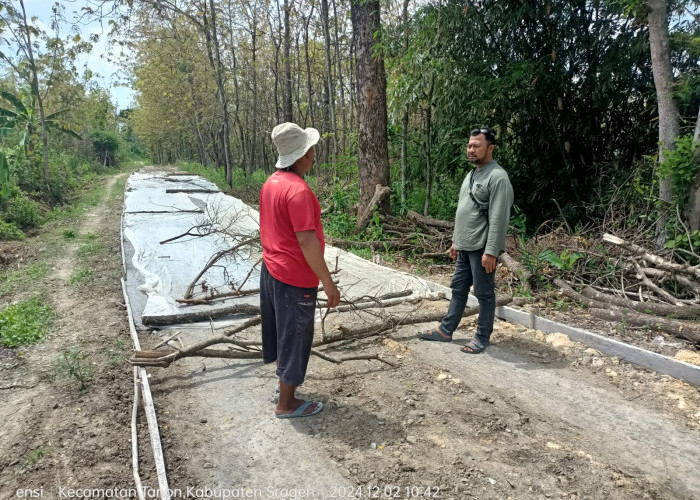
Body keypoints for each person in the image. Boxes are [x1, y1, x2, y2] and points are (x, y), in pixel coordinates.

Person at [259, 122, 341, 418]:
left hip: (271, 270)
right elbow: (307, 242)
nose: (314, 153)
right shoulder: (299, 192)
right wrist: (328, 284)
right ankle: (286, 404)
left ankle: (285, 390)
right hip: (294, 277)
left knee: (283, 332)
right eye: (310, 149)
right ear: (303, 155)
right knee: (295, 336)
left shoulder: (272, 183)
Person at [419, 127, 513, 353]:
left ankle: (482, 337)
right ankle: (446, 330)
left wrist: (491, 252)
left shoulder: (497, 177)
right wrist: (455, 241)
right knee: (458, 288)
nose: (470, 150)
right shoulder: (472, 175)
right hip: (465, 245)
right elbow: (465, 211)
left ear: (490, 148)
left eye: (476, 146)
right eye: (469, 145)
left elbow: (499, 218)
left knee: (484, 293)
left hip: (482, 248)